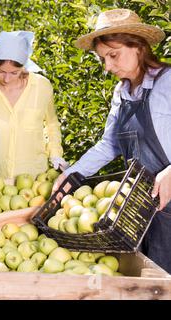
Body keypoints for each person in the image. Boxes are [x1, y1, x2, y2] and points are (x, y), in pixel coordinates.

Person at [52, 9, 171, 272]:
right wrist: (71, 174)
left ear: (137, 46)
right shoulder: (122, 93)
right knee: (146, 278)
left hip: (168, 206)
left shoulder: (168, 83)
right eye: (102, 59)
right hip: (138, 208)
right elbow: (110, 144)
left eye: (112, 55)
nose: (107, 67)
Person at [0, 31, 65, 217]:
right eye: (1, 71)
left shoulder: (42, 87)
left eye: (14, 72)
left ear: (24, 65)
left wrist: (56, 153)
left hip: (36, 183)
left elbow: (51, 124)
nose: (7, 79)